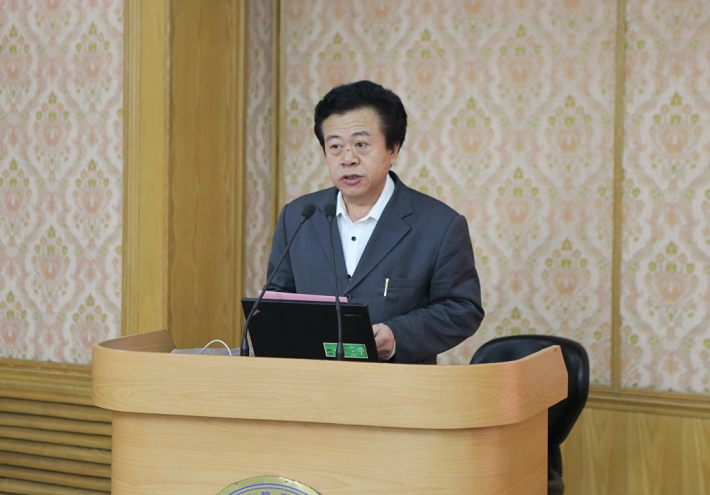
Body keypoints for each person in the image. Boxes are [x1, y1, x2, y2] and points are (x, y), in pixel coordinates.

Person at [266, 80, 484, 364]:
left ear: (393, 149)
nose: (348, 159)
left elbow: (462, 309)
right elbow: (276, 299)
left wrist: (397, 335)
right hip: (313, 382)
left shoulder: (439, 225)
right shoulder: (298, 216)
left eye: (361, 144)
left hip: (396, 384)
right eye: (335, 146)